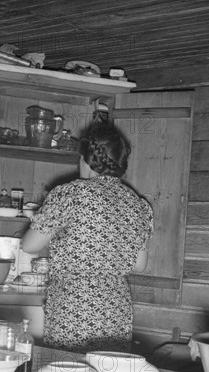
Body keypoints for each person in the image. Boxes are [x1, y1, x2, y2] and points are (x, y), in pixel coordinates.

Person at [21, 121, 154, 352]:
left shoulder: (71, 193)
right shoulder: (138, 205)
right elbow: (140, 264)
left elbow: (29, 245)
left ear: (87, 161)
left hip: (75, 304)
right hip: (116, 306)